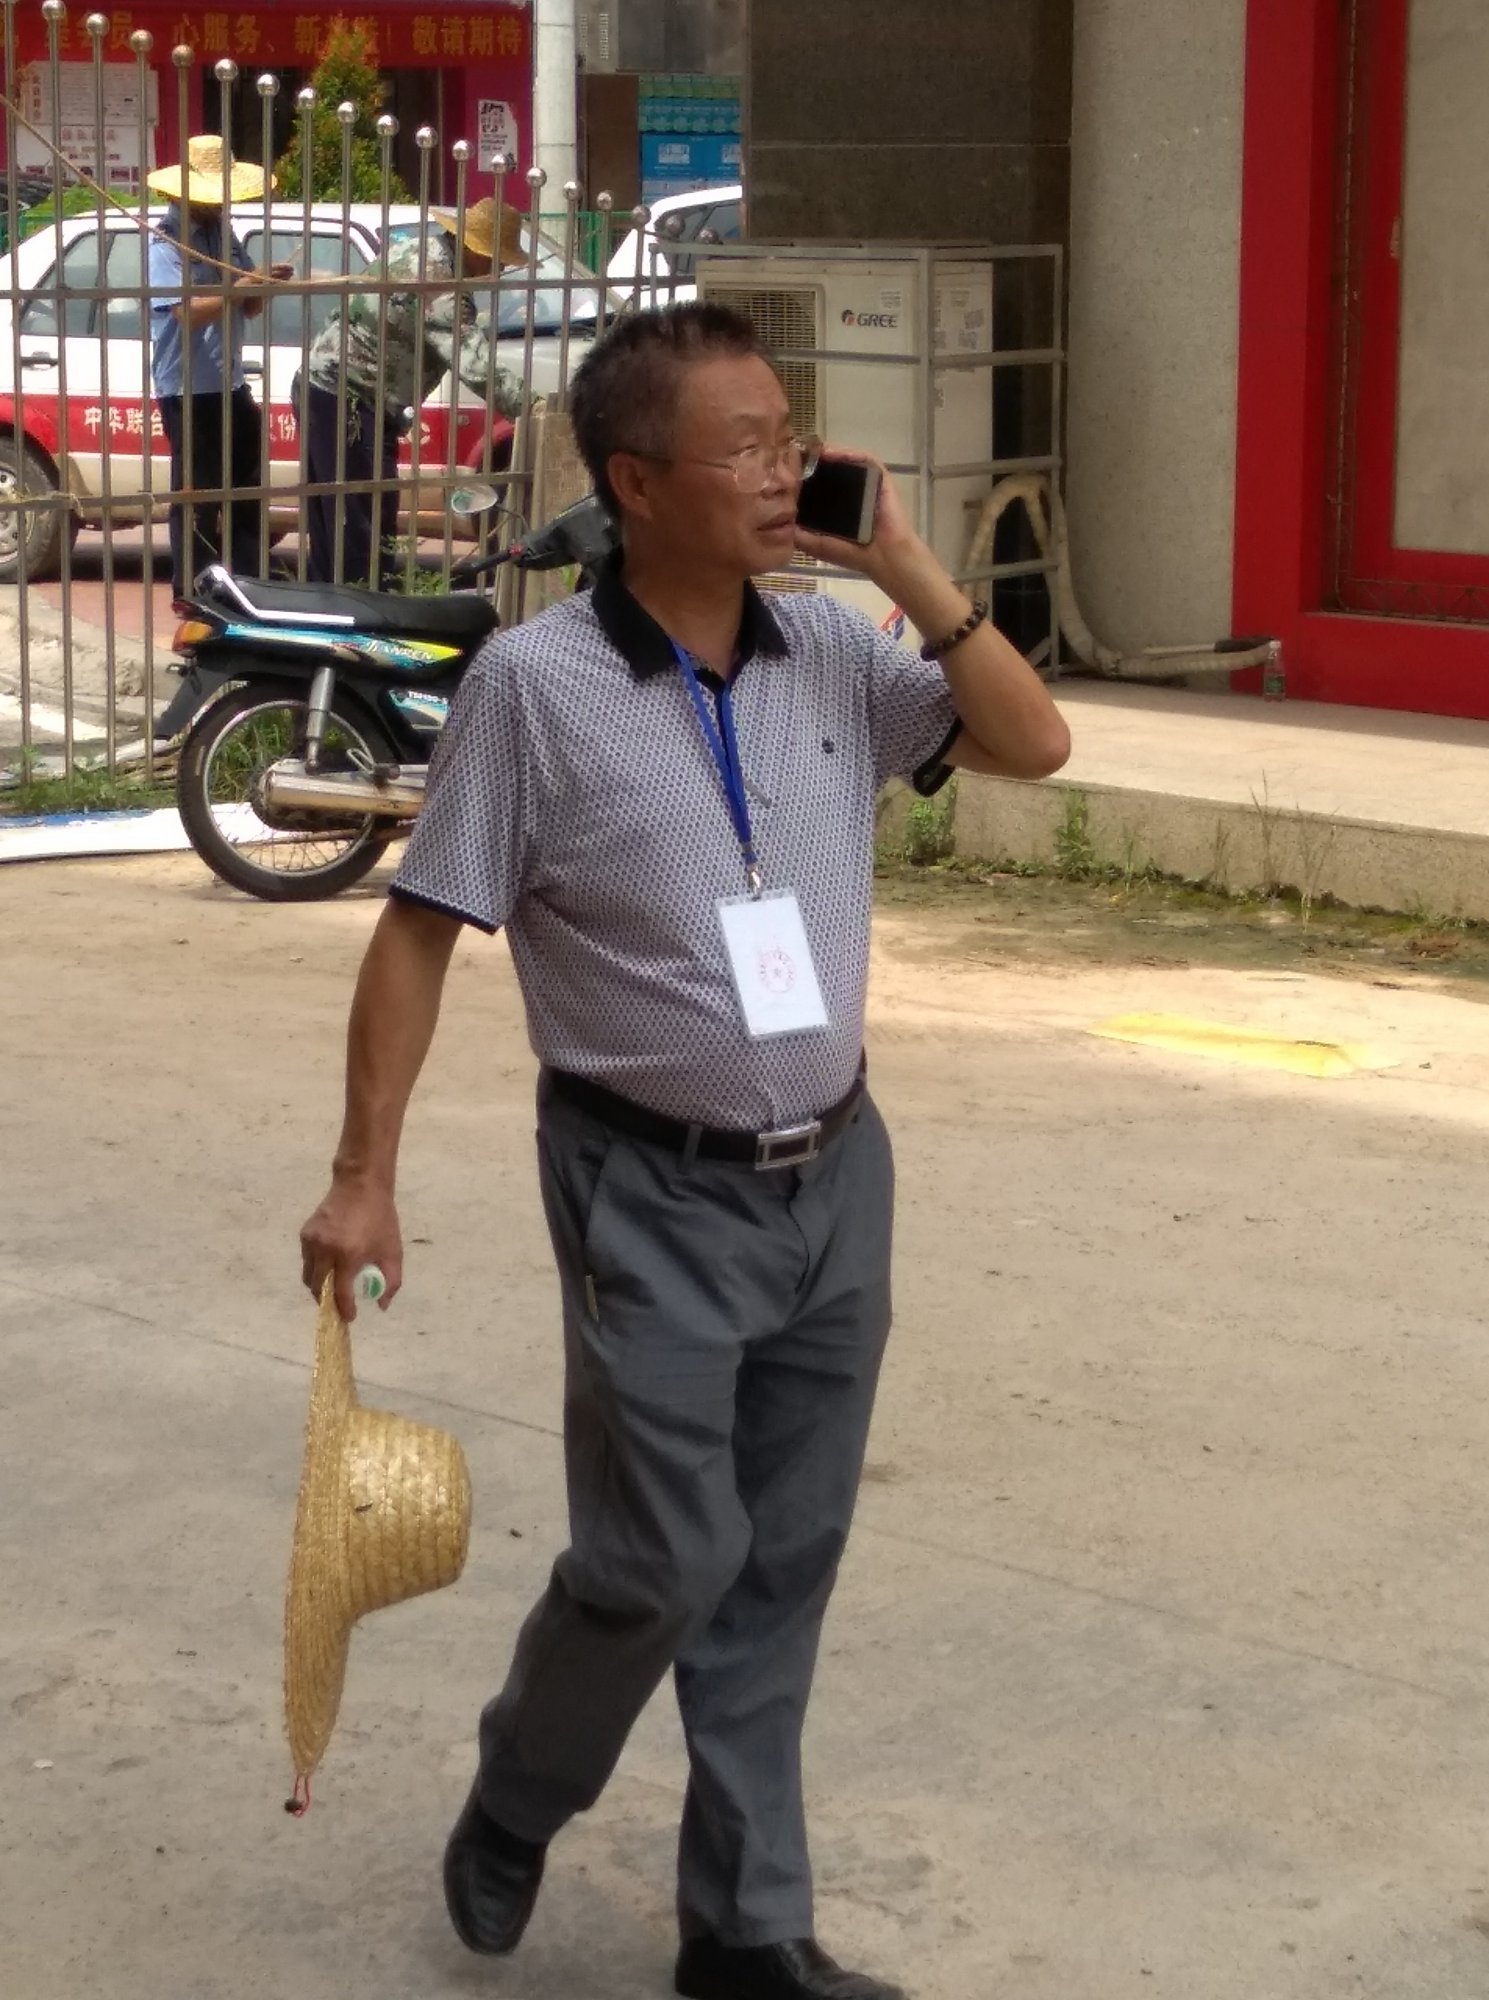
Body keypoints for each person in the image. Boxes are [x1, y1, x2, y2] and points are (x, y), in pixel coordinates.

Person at [299, 302, 1070, 2000]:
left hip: (836, 1177)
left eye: (791, 436)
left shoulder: (838, 654)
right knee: (664, 1559)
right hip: (646, 1185)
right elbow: (420, 933)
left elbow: (1034, 743)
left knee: (783, 1561)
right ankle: (522, 1787)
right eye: (746, 447)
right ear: (636, 485)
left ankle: (743, 1932)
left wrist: (905, 562)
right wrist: (365, 1171)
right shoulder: (537, 689)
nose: (785, 469)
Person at [300, 197, 529, 590]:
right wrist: (534, 407)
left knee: (341, 525)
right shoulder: (442, 285)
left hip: (329, 388)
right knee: (362, 529)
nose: (501, 269)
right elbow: (474, 364)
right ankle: (359, 608)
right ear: (477, 251)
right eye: (498, 259)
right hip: (349, 399)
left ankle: (336, 602)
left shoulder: (420, 249)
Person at [145, 136, 287, 595]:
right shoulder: (164, 242)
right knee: (197, 496)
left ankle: (248, 585)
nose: (221, 204)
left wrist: (263, 285)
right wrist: (240, 286)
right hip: (188, 388)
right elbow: (186, 313)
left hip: (230, 380)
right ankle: (193, 592)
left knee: (246, 488)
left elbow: (249, 308)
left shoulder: (225, 235)